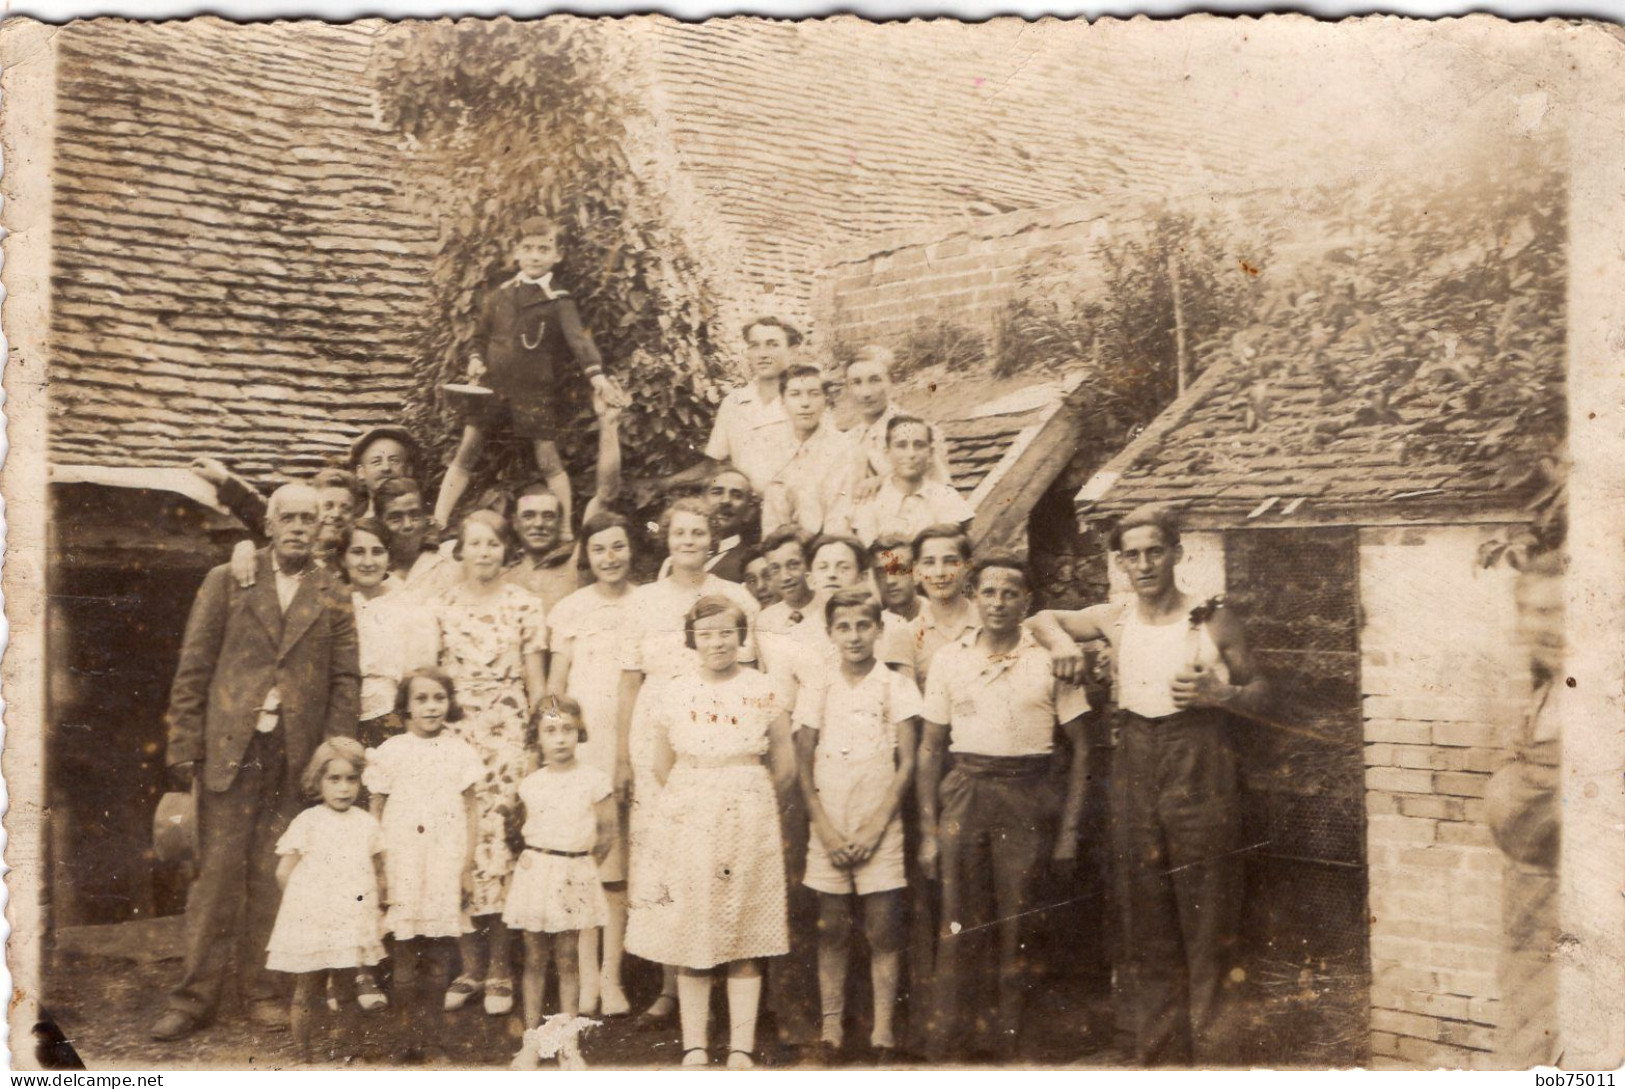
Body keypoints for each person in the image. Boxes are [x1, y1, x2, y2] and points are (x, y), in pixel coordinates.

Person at [1028, 504, 1268, 1066]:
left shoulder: (1213, 620)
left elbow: (1265, 692)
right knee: (1146, 916)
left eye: (1154, 551)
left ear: (1176, 554)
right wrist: (1064, 646)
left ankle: (1215, 1062)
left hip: (1200, 759)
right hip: (1136, 759)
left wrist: (1222, 695)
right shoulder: (1116, 618)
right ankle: (1159, 1062)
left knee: (1208, 918)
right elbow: (1042, 619)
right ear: (1120, 563)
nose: (1143, 564)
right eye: (1131, 555)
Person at [150, 483, 361, 1043]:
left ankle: (262, 992)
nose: (297, 527)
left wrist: (334, 752)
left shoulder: (334, 594)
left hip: (294, 756)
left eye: (308, 520)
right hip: (229, 751)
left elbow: (345, 679)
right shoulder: (228, 580)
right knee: (216, 878)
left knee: (274, 876)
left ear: (321, 530)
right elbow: (194, 666)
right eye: (286, 517)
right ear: (266, 526)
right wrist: (184, 748)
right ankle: (193, 999)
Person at [918, 555, 1091, 1062]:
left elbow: (1081, 746)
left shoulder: (1050, 660)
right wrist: (929, 831)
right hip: (966, 793)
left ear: (1027, 602)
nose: (998, 603)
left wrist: (1069, 831)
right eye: (988, 593)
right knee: (960, 921)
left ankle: (1017, 1047)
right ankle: (955, 1046)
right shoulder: (951, 659)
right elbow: (931, 747)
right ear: (973, 597)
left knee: (1021, 920)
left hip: (1028, 795)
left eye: (1010, 593)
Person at [625, 597, 796, 1069]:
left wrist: (744, 797)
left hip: (748, 811)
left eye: (725, 632)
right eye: (706, 633)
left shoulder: (763, 686)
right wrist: (698, 796)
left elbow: (784, 766)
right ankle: (695, 1045)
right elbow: (661, 764)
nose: (717, 642)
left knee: (744, 924)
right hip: (692, 813)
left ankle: (740, 1047)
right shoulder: (675, 690)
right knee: (693, 923)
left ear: (741, 635)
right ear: (691, 639)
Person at [616, 497, 762, 1021]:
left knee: (722, 854)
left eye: (699, 532)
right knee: (667, 859)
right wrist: (620, 757)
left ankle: (729, 976)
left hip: (714, 739)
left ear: (713, 539)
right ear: (666, 538)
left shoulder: (736, 596)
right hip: (655, 734)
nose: (689, 541)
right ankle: (671, 986)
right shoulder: (642, 601)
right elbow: (629, 681)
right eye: (680, 532)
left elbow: (750, 676)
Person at [432, 215, 630, 534]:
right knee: (468, 448)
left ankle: (565, 529)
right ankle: (438, 519)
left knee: (547, 457)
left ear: (557, 255)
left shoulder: (558, 300)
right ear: (517, 252)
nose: (535, 256)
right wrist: (475, 360)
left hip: (535, 391)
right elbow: (479, 336)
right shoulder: (500, 294)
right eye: (528, 248)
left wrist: (598, 378)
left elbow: (579, 340)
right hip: (492, 388)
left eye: (543, 248)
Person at [794, 588, 921, 1065]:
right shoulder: (819, 686)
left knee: (883, 929)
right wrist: (824, 829)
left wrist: (873, 829)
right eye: (843, 627)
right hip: (829, 824)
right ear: (829, 633)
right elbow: (804, 765)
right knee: (830, 928)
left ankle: (883, 1032)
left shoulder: (896, 686)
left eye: (863, 626)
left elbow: (906, 764)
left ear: (879, 631)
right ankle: (831, 1030)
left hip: (878, 825)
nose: (853, 636)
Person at [433, 511, 548, 1017]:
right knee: (457, 838)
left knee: (499, 840)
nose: (484, 552)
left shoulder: (525, 605)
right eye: (474, 543)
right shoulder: (441, 606)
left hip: (507, 733)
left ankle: (501, 965)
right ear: (460, 550)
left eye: (493, 544)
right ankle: (469, 966)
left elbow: (536, 681)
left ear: (507, 550)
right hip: (455, 734)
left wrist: (538, 741)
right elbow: (432, 679)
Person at [545, 511, 641, 1018]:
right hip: (582, 750)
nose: (610, 558)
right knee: (583, 861)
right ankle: (584, 978)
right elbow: (556, 688)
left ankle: (613, 976)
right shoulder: (570, 609)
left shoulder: (646, 603)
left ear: (631, 550)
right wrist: (557, 747)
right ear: (587, 554)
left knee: (618, 866)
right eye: (600, 548)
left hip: (629, 747)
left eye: (619, 547)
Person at [365, 669, 484, 1065]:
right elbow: (376, 811)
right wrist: (379, 870)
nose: (431, 706)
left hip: (443, 863)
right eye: (421, 699)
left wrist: (466, 867)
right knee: (402, 957)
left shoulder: (460, 751)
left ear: (448, 703)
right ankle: (403, 1039)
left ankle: (432, 1040)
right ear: (405, 707)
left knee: (437, 956)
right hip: (403, 863)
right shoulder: (390, 752)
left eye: (438, 697)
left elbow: (470, 811)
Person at [504, 697, 615, 1069]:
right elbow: (521, 831)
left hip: (573, 873)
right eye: (550, 730)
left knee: (568, 959)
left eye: (567, 728)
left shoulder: (595, 780)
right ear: (537, 736)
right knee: (534, 959)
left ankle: (568, 1045)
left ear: (578, 731)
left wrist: (579, 868)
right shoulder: (530, 784)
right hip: (537, 873)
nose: (560, 738)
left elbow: (606, 834)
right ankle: (532, 1043)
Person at [268, 738, 387, 1061]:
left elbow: (376, 871)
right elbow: (283, 872)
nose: (343, 788)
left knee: (347, 990)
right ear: (317, 781)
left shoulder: (366, 823)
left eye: (351, 779)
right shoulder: (308, 821)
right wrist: (303, 908)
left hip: (349, 921)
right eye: (333, 779)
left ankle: (350, 1052)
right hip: (313, 921)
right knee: (307, 991)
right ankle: (304, 1056)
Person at [656, 317, 800, 498]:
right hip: (741, 510)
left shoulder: (805, 401)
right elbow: (712, 465)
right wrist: (664, 483)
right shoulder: (734, 402)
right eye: (754, 345)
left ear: (792, 351)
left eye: (772, 345)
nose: (762, 354)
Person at [841, 417, 972, 547]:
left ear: (931, 453)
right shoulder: (870, 499)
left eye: (919, 445)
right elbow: (866, 552)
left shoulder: (946, 497)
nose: (911, 454)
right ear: (887, 452)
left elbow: (950, 547)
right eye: (901, 445)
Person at [839, 346, 952, 495]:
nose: (866, 393)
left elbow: (942, 493)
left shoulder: (920, 432)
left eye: (875, 380)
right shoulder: (847, 441)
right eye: (856, 382)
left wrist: (884, 482)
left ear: (891, 381)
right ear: (848, 388)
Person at [759, 363, 855, 537]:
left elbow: (839, 520)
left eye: (814, 394)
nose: (805, 404)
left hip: (829, 548)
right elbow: (771, 520)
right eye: (795, 395)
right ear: (782, 402)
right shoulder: (774, 449)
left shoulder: (842, 448)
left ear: (826, 400)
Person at [338, 519, 409, 750]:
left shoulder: (406, 606)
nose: (368, 562)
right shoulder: (332, 606)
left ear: (389, 558)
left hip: (393, 719)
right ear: (343, 558)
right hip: (340, 720)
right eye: (358, 552)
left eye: (377, 552)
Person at [881, 524, 979, 687]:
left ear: (968, 567)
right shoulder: (906, 636)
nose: (939, 572)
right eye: (929, 562)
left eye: (950, 561)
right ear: (917, 571)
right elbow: (907, 706)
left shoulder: (988, 623)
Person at [350, 426, 422, 514]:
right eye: (376, 462)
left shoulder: (425, 523)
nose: (386, 468)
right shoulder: (350, 521)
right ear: (361, 472)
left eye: (394, 460)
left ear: (408, 470)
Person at [869, 533, 921, 624]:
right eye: (881, 573)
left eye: (898, 570)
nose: (890, 581)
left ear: (916, 572)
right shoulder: (874, 627)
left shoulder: (939, 616)